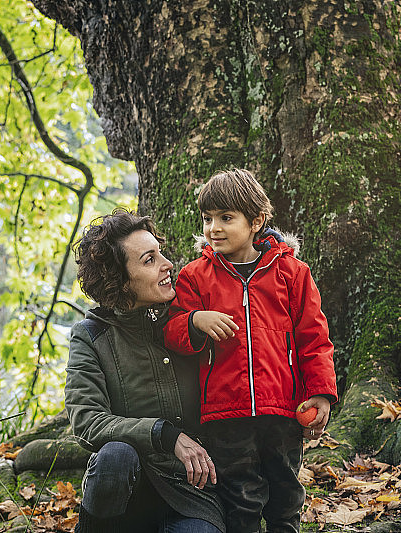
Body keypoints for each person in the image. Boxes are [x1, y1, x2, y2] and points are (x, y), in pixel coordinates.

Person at [163, 169, 338, 533]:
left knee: (285, 495)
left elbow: (314, 338)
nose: (214, 228)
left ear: (256, 221)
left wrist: (320, 393)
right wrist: (196, 320)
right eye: (208, 219)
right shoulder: (195, 277)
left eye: (227, 218)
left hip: (283, 410)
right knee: (240, 500)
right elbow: (172, 332)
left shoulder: (292, 272)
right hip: (225, 414)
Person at [66, 208, 225, 533]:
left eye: (160, 253)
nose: (168, 265)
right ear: (120, 281)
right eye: (149, 260)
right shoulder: (90, 336)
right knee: (115, 457)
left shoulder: (191, 321)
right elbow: (86, 421)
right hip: (125, 491)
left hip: (190, 491)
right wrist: (164, 434)